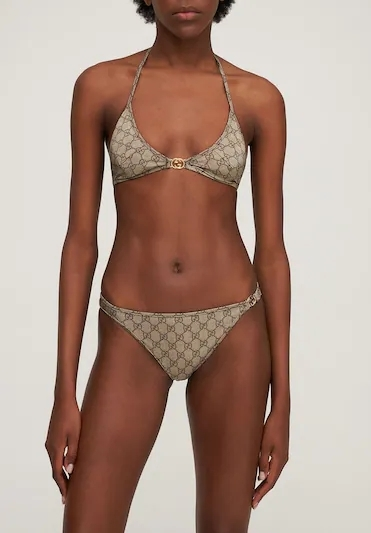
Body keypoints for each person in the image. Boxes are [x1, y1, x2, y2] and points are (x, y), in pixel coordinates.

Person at [45, 1, 291, 531]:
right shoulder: (101, 87)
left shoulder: (258, 98)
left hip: (232, 329)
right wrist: (64, 391)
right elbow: (80, 242)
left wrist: (284, 402)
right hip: (130, 329)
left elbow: (272, 252)